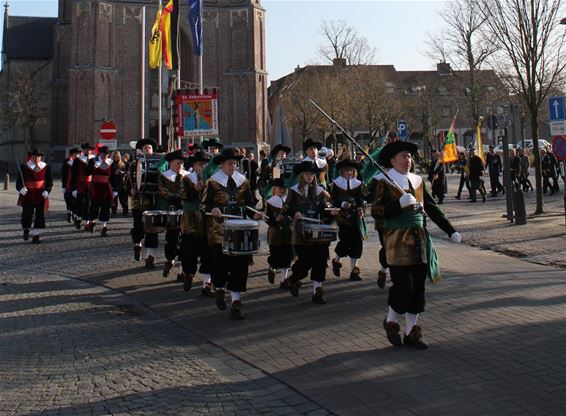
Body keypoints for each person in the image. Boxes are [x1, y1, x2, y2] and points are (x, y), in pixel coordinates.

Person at [373, 141, 461, 349]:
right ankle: (391, 321)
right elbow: (377, 211)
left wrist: (450, 230)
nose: (408, 160)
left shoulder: (418, 181)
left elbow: (431, 207)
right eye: (403, 156)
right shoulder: (385, 182)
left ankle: (412, 331)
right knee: (404, 287)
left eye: (410, 157)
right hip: (397, 243)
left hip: (420, 241)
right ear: (393, 160)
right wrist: (398, 205)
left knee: (418, 289)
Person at [203, 148, 263, 320]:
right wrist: (212, 208)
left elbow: (250, 204)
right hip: (219, 232)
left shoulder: (243, 182)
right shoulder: (212, 182)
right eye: (230, 164)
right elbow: (204, 204)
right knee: (219, 266)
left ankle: (236, 303)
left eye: (235, 164)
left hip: (239, 230)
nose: (233, 167)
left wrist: (255, 214)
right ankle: (220, 289)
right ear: (222, 164)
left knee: (240, 267)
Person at [282, 160, 337, 304]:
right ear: (302, 175)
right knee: (304, 264)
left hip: (318, 234)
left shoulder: (319, 192)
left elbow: (323, 211)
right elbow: (285, 210)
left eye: (312, 174)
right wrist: (295, 213)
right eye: (307, 174)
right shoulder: (294, 191)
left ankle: (317, 292)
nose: (310, 177)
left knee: (320, 262)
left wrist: (332, 213)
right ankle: (293, 279)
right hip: (301, 234)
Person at [179, 150, 214, 295]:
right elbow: (184, 196)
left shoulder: (211, 180)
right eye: (201, 164)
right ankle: (188, 274)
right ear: (194, 165)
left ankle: (207, 284)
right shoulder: (186, 179)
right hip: (191, 223)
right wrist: (195, 189)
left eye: (205, 164)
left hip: (206, 223)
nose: (203, 167)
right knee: (189, 253)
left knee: (208, 255)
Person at [124, 138, 160, 268]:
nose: (147, 150)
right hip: (138, 200)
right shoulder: (135, 164)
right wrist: (131, 190)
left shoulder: (158, 163)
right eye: (145, 148)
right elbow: (127, 181)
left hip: (153, 200)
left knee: (152, 229)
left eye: (149, 148)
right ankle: (137, 245)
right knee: (138, 226)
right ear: (141, 150)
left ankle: (150, 257)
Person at [330, 159, 366, 281]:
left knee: (357, 243)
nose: (349, 173)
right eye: (346, 170)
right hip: (343, 217)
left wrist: (361, 208)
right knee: (345, 241)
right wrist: (342, 203)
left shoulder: (358, 183)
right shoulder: (336, 183)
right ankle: (337, 261)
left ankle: (354, 271)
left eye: (351, 170)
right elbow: (333, 200)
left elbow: (360, 199)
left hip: (355, 216)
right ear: (342, 171)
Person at [158, 149, 188, 278]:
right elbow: (163, 192)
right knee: (172, 240)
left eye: (181, 163)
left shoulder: (188, 175)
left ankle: (182, 271)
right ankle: (170, 260)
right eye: (177, 163)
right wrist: (176, 198)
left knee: (186, 241)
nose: (180, 165)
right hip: (172, 211)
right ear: (171, 163)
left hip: (187, 213)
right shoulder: (164, 176)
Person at [16, 149, 53, 244]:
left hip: (40, 194)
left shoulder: (46, 167)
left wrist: (47, 190)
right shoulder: (24, 167)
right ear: (31, 157)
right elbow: (19, 182)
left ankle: (36, 235)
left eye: (38, 156)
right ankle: (26, 229)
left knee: (40, 215)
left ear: (41, 157)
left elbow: (49, 182)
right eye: (34, 156)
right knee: (27, 214)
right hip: (28, 194)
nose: (36, 158)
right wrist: (21, 189)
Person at [265, 178, 294, 288]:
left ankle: (284, 280)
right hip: (275, 235)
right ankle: (272, 268)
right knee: (275, 256)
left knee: (287, 258)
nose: (282, 190)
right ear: (275, 189)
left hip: (287, 234)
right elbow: (267, 219)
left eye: (284, 189)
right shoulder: (270, 202)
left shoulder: (289, 201)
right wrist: (275, 220)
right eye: (279, 188)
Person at [86, 146, 118, 235]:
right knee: (94, 207)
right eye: (103, 154)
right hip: (95, 187)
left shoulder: (111, 163)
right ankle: (92, 222)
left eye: (106, 154)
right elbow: (87, 172)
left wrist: (115, 189)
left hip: (106, 188)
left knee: (106, 207)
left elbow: (113, 177)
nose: (105, 156)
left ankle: (104, 227)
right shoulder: (93, 161)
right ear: (99, 154)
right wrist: (93, 168)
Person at [70, 143, 96, 229]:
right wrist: (73, 188)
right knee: (80, 203)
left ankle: (87, 222)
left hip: (90, 184)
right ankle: (78, 218)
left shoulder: (93, 159)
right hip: (80, 183)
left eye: (89, 150)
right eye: (86, 149)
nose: (88, 151)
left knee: (89, 203)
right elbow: (73, 174)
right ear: (83, 150)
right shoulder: (78, 160)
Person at [61, 147, 80, 223]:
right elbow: (63, 173)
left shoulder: (79, 162)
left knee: (76, 201)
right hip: (68, 183)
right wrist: (63, 186)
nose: (77, 155)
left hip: (77, 183)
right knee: (68, 200)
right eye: (75, 154)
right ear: (72, 154)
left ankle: (75, 216)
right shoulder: (66, 161)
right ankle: (69, 213)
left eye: (78, 154)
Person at [111, 151, 129, 216]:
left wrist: (121, 172)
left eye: (117, 156)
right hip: (114, 183)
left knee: (123, 199)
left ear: (119, 156)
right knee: (114, 199)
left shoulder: (123, 164)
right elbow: (110, 174)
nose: (116, 157)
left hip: (122, 183)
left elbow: (127, 172)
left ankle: (125, 211)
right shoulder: (111, 164)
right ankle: (113, 211)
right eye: (115, 156)